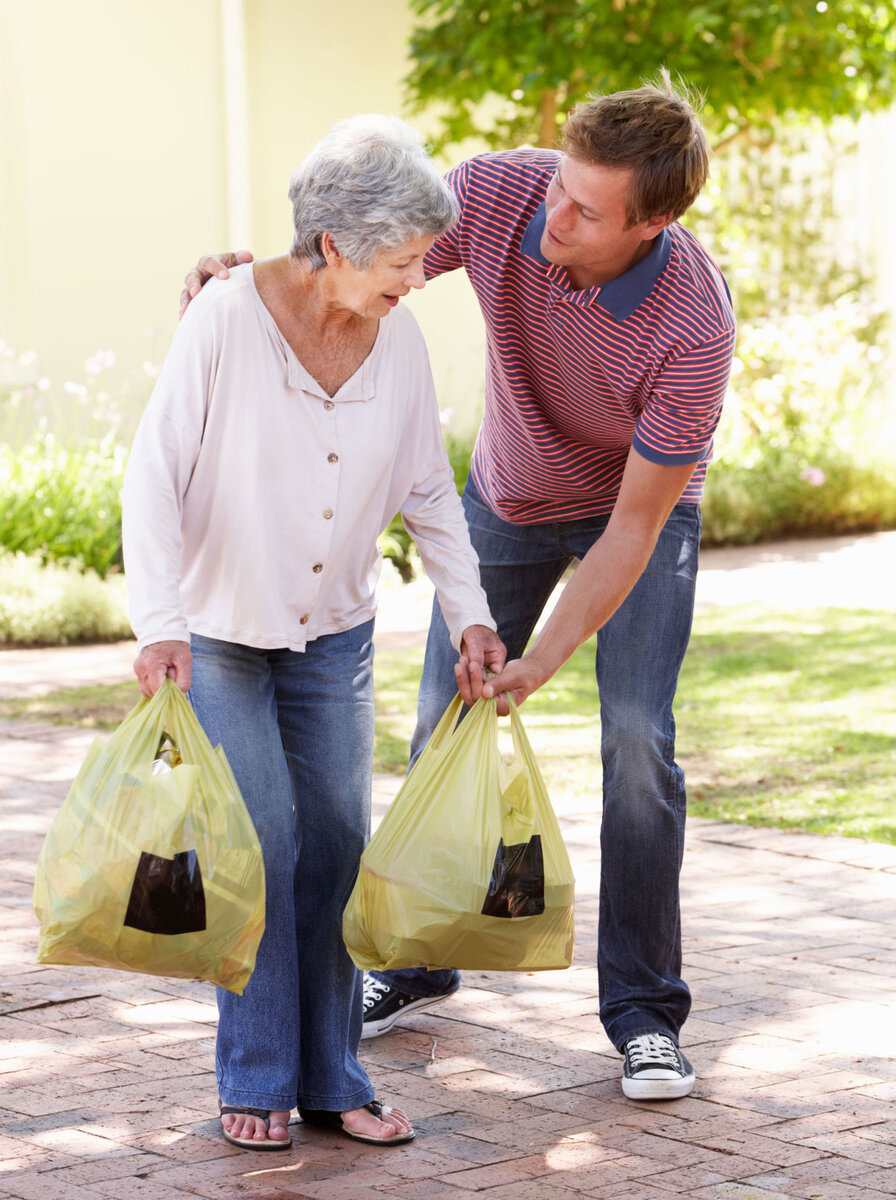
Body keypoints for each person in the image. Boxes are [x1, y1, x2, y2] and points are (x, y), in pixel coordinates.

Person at [181, 73, 736, 1103]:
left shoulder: (693, 325)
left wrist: (541, 658)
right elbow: (353, 262)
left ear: (651, 221)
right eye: (558, 185)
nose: (552, 214)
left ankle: (644, 1012)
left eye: (585, 208)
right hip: (509, 497)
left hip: (635, 515)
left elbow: (629, 529)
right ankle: (418, 957)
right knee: (441, 722)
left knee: (633, 739)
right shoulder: (499, 193)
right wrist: (253, 283)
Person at [123, 114, 504, 1151]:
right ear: (331, 246)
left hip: (332, 634)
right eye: (401, 259)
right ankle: (256, 1075)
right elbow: (153, 475)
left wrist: (470, 615)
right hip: (219, 633)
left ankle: (334, 1075)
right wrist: (157, 623)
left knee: (337, 846)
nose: (418, 278)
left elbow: (429, 489)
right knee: (264, 843)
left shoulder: (400, 340)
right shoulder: (224, 321)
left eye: (424, 256)